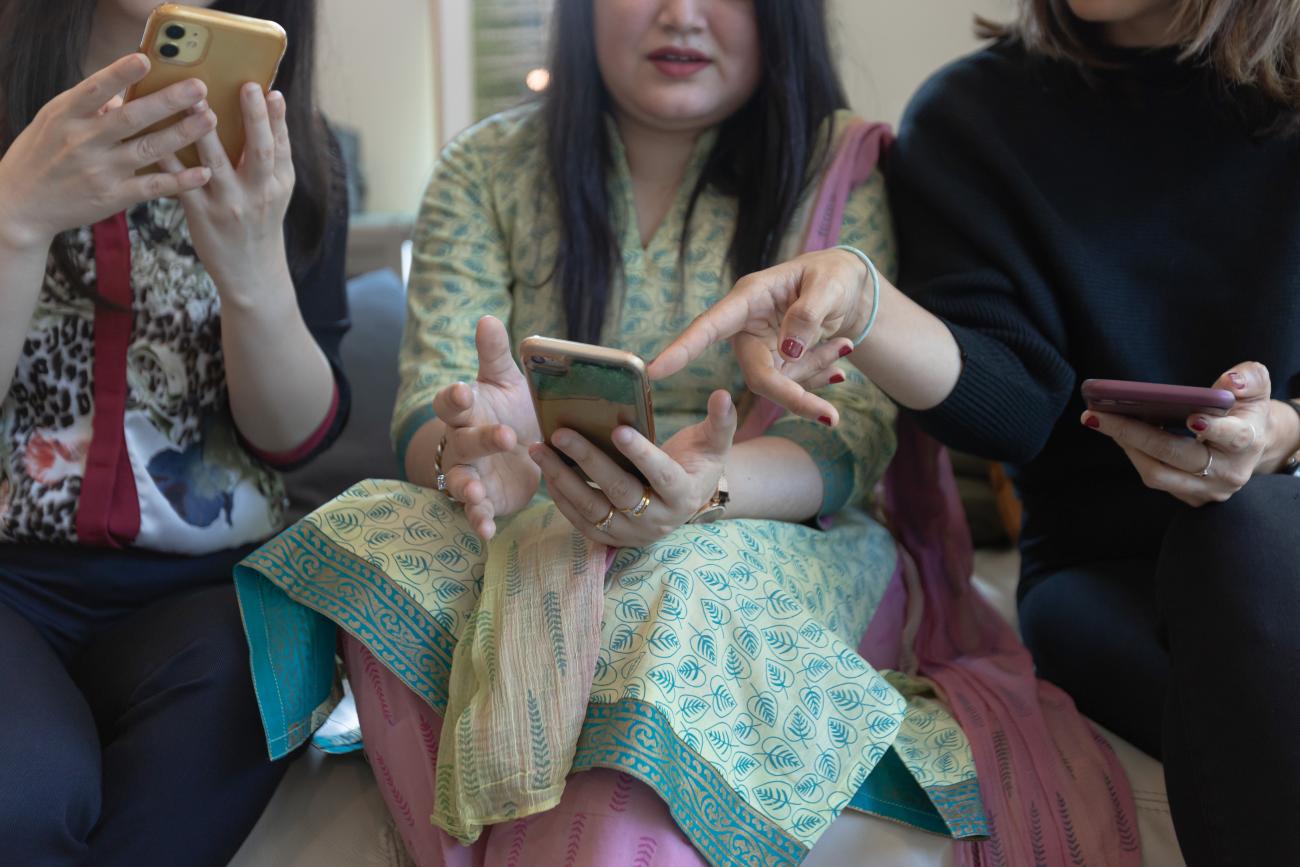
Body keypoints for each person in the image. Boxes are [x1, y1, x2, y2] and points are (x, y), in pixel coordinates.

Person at [233, 0, 991, 864]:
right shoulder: (485, 165)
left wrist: (699, 490)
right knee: (376, 527)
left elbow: (848, 437)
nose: (680, 15)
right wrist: (476, 452)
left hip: (764, 513)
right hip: (527, 510)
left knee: (673, 578)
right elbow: (431, 409)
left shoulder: (839, 169)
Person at [652, 1, 1300, 864]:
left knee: (1246, 528)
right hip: (1107, 576)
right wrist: (866, 301)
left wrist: (1284, 436)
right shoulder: (975, 116)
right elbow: (1017, 403)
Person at [0, 0, 349, 863]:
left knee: (240, 695)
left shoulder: (292, 149)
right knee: (23, 796)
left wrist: (255, 276)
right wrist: (14, 220)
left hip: (213, 593)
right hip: (11, 579)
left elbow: (292, 438)